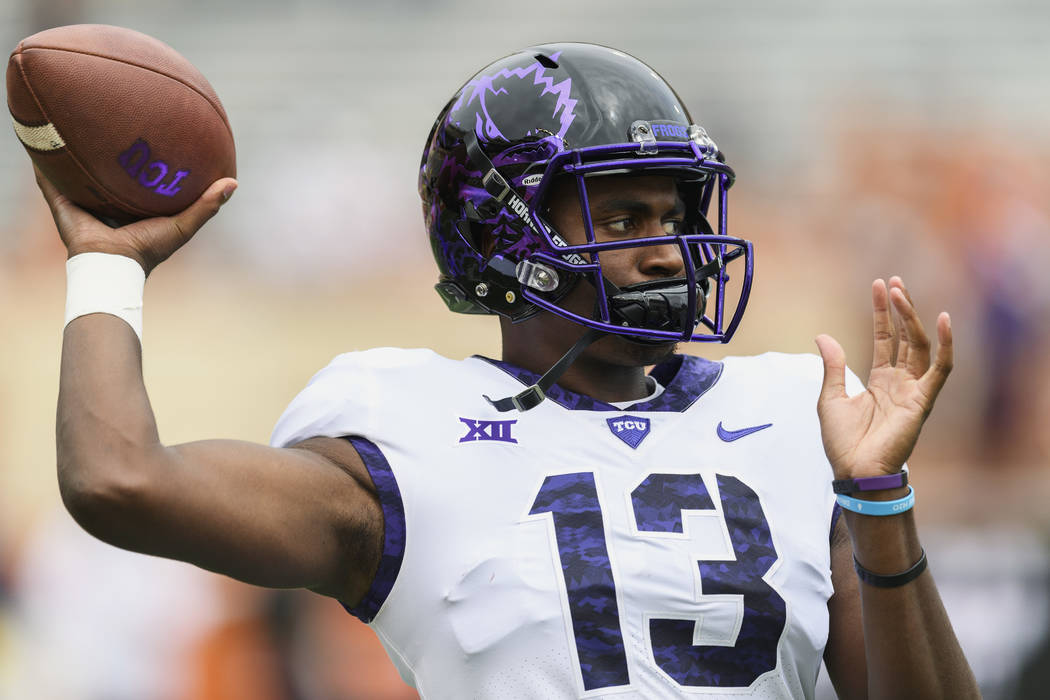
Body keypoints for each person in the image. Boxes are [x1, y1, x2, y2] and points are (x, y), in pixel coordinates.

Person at [41, 42, 976, 698]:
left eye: (675, 216)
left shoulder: (794, 410)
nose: (669, 251)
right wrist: (107, 268)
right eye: (622, 221)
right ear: (500, 238)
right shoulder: (406, 430)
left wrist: (878, 499)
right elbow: (119, 479)